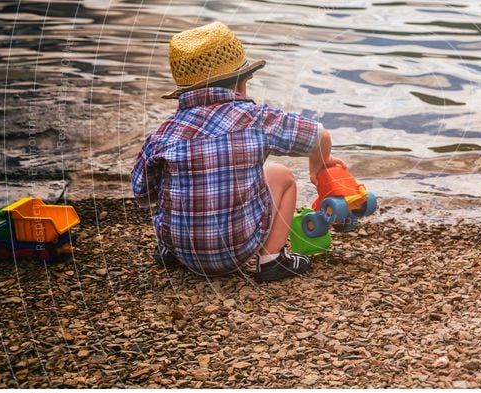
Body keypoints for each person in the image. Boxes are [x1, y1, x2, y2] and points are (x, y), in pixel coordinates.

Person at [131, 21, 343, 282]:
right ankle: (272, 261)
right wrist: (319, 165)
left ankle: (169, 250)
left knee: (170, 180)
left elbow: (142, 191)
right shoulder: (257, 119)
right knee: (282, 175)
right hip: (240, 248)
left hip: (182, 251)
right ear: (242, 84)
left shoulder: (164, 134)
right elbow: (320, 136)